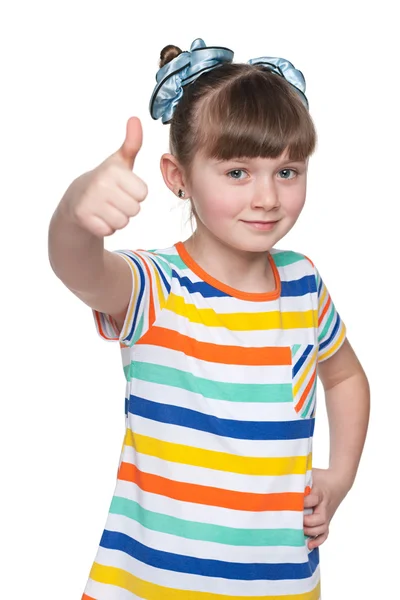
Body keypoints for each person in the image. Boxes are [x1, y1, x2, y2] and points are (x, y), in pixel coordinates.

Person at [48, 38, 370, 600]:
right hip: (152, 584)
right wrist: (76, 214)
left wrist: (338, 478)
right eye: (238, 171)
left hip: (284, 584)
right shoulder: (155, 287)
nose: (268, 197)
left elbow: (344, 376)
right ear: (177, 175)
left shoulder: (303, 282)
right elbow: (77, 268)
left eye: (288, 171)